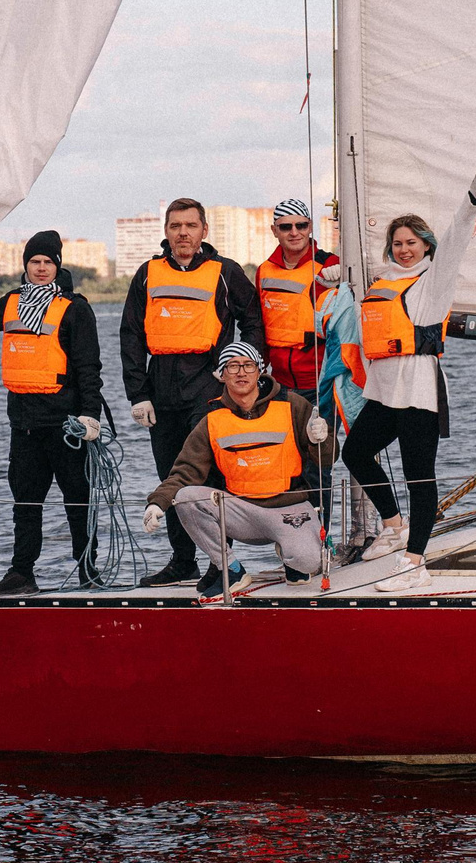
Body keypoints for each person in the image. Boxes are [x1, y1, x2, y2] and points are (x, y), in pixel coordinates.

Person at [342, 168, 476, 562]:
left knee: (419, 476)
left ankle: (415, 558)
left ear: (426, 245)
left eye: (411, 243)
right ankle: (394, 526)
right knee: (355, 454)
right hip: (384, 393)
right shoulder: (382, 281)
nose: (404, 250)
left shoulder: (433, 280)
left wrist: (472, 201)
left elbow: (454, 243)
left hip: (418, 393)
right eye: (397, 243)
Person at [0, 231, 105, 593]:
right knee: (26, 504)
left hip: (68, 426)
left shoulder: (75, 308)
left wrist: (90, 416)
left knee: (78, 503)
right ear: (26, 265)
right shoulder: (12, 302)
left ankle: (88, 571)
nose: (41, 268)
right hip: (25, 425)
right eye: (35, 262)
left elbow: (88, 367)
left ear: (57, 266)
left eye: (48, 262)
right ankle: (22, 574)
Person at [120, 196, 263, 584]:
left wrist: (239, 367)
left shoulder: (225, 272)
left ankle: (223, 565)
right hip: (161, 386)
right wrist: (138, 393)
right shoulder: (147, 274)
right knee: (170, 476)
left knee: (209, 477)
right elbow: (131, 335)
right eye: (175, 226)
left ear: (203, 231)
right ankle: (183, 561)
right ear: (166, 232)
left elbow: (253, 321)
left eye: (190, 226)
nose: (183, 233)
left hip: (208, 385)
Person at [143, 340, 332, 595]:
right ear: (221, 375)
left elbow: (327, 460)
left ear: (260, 371)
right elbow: (185, 471)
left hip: (289, 508)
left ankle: (290, 555)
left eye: (248, 365)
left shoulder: (294, 405)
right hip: (242, 512)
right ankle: (231, 569)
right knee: (186, 497)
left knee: (308, 563)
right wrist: (158, 502)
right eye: (232, 367)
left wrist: (319, 439)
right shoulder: (212, 419)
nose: (241, 373)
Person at [255, 198, 341, 395]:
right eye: (285, 227)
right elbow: (258, 325)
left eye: (300, 225)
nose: (294, 232)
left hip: (321, 382)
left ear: (310, 227)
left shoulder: (330, 265)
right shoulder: (264, 271)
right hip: (278, 383)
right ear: (274, 230)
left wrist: (342, 278)